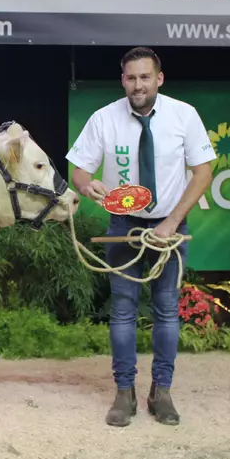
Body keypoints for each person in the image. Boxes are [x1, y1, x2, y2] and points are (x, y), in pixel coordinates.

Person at [66, 46, 216, 427]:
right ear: (123, 80)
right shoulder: (104, 119)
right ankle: (124, 393)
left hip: (170, 225)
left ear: (159, 79)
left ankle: (161, 391)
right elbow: (79, 171)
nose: (138, 85)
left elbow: (203, 172)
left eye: (145, 77)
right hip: (123, 224)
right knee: (122, 310)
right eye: (131, 78)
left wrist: (171, 224)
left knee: (166, 309)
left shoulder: (184, 115)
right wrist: (88, 187)